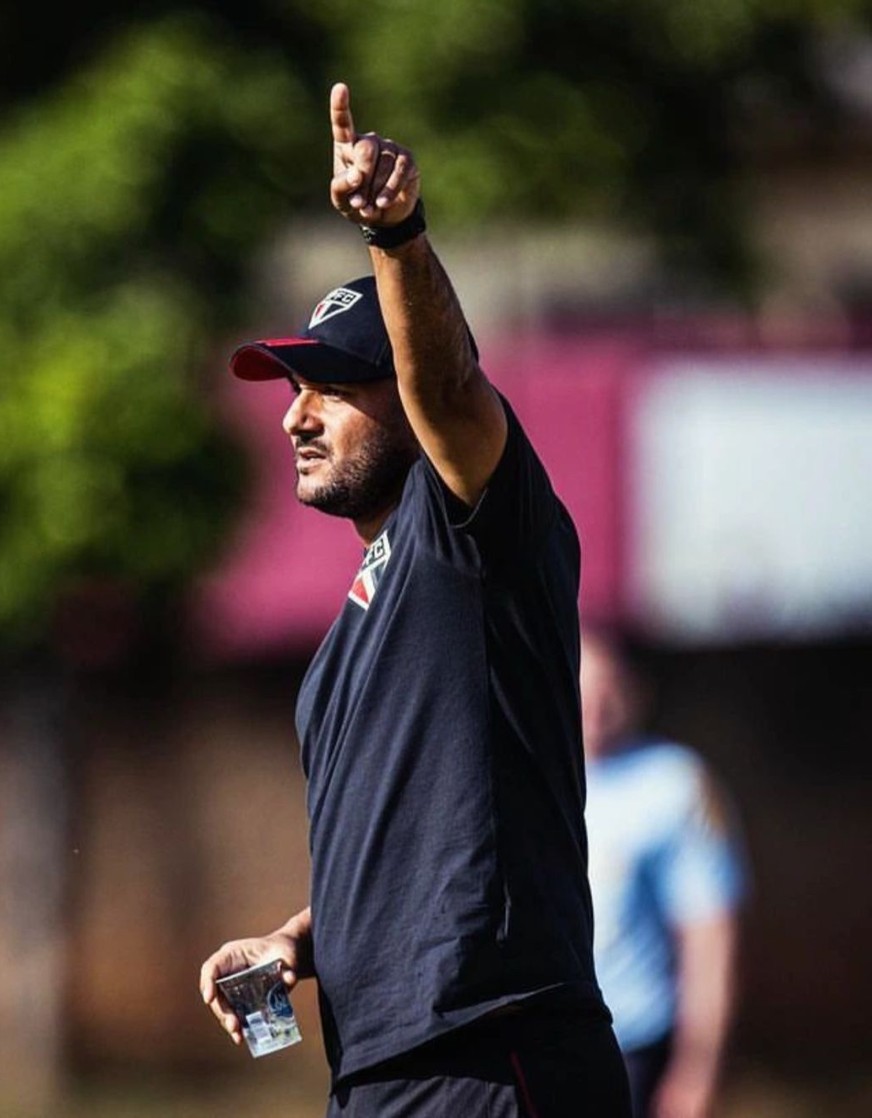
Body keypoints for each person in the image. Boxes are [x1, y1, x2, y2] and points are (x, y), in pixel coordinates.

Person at [200, 82, 631, 1117]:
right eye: (292, 392)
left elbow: (448, 388)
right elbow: (419, 857)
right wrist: (296, 941)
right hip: (381, 1069)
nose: (296, 418)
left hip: (493, 1051)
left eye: (332, 388)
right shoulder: (350, 637)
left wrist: (395, 233)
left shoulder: (473, 533)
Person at [580, 627, 747, 1118]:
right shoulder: (527, 779)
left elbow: (709, 939)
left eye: (608, 687)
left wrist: (697, 1070)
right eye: (580, 686)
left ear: (637, 690)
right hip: (547, 1045)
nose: (595, 705)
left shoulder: (675, 784)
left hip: (635, 1045)